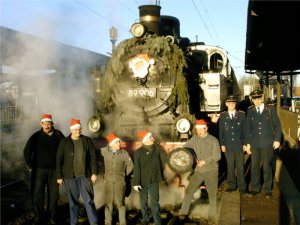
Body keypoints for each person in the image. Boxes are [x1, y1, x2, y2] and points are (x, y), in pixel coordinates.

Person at [173, 119, 221, 225]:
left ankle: (212, 216)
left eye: (200, 130)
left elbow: (217, 156)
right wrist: (192, 158)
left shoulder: (213, 140)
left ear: (206, 128)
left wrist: (205, 161)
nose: (199, 132)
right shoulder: (194, 139)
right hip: (198, 171)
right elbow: (185, 147)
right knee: (189, 191)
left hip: (211, 171)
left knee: (212, 194)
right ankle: (183, 211)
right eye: (197, 130)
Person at [23, 114, 65, 225]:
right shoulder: (36, 136)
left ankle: (52, 216)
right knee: (38, 194)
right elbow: (26, 151)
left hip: (55, 170)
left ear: (52, 124)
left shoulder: (58, 135)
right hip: (39, 171)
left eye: (49, 123)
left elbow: (66, 149)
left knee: (54, 195)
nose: (47, 126)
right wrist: (31, 165)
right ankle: (38, 217)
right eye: (44, 123)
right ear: (41, 124)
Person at [56, 118, 99, 225]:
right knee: (72, 202)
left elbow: (93, 157)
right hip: (70, 177)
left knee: (89, 200)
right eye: (75, 130)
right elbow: (58, 159)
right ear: (71, 130)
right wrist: (59, 176)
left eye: (79, 129)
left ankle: (94, 222)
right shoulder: (64, 142)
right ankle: (73, 222)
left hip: (85, 176)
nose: (78, 132)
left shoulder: (87, 140)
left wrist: (94, 173)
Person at [244, 89, 282, 199]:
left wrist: (277, 140)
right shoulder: (250, 110)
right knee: (255, 167)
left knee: (267, 167)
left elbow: (277, 125)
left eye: (258, 98)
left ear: (262, 97)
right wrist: (247, 143)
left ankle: (268, 190)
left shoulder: (270, 109)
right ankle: (255, 188)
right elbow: (248, 128)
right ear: (252, 99)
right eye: (254, 98)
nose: (257, 100)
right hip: (254, 144)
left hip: (267, 143)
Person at [133, 130, 167, 225]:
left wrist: (164, 176)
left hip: (154, 180)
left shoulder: (158, 149)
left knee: (155, 202)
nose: (153, 139)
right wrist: (136, 183)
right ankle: (145, 218)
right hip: (142, 181)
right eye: (150, 137)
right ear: (145, 140)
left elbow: (164, 161)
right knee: (143, 201)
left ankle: (157, 221)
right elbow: (137, 169)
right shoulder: (137, 153)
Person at [100, 133, 133, 225]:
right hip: (108, 181)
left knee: (120, 203)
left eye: (119, 141)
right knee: (108, 203)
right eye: (116, 142)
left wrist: (124, 175)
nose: (119, 143)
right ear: (111, 144)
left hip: (120, 181)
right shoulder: (104, 151)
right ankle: (108, 222)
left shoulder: (124, 153)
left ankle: (123, 222)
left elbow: (130, 165)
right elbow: (94, 155)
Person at [219, 95, 247, 194]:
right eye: (229, 103)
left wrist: (245, 143)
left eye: (233, 103)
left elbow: (245, 130)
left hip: (239, 145)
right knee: (230, 167)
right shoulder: (223, 116)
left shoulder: (242, 115)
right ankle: (232, 185)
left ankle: (242, 186)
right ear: (226, 104)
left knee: (240, 167)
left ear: (235, 104)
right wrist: (222, 144)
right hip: (228, 145)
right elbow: (221, 131)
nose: (231, 104)